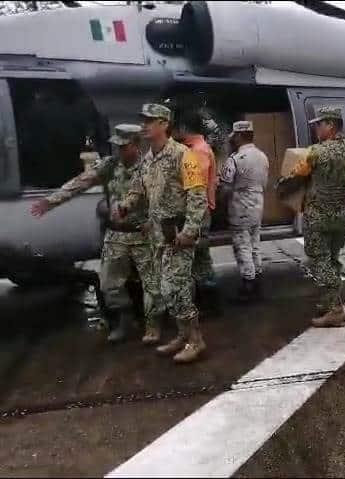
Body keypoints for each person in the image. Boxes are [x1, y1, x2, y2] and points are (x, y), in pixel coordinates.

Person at [31, 124, 164, 344]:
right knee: (109, 284)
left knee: (151, 284)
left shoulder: (152, 168)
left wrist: (156, 223)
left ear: (137, 144)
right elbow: (79, 183)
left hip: (143, 234)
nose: (119, 151)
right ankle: (124, 319)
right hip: (116, 235)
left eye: (124, 146)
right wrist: (50, 201)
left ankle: (153, 325)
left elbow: (165, 199)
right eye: (117, 147)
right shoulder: (110, 166)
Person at [117, 103, 210, 364]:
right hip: (158, 236)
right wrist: (125, 205)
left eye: (150, 121)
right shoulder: (148, 159)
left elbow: (197, 195)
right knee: (167, 290)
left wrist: (191, 231)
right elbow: (138, 189)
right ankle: (182, 335)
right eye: (143, 120)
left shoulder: (184, 155)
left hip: (178, 235)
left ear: (164, 124)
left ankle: (196, 340)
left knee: (176, 289)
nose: (145, 125)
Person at [276, 106, 345, 327]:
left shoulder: (316, 152)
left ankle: (335, 310)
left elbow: (296, 177)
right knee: (332, 259)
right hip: (341, 215)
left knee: (318, 261)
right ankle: (329, 300)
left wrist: (281, 187)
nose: (316, 129)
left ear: (331, 124)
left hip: (319, 216)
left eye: (319, 125)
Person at [175, 111, 221, 316]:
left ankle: (209, 305)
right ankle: (210, 304)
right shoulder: (197, 148)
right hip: (200, 212)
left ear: (185, 128)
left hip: (198, 213)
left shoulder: (198, 151)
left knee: (198, 260)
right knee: (201, 260)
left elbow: (197, 187)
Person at [219, 120, 269, 302]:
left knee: (242, 245)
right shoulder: (263, 156)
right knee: (255, 243)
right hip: (258, 203)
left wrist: (221, 205)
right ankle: (258, 280)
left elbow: (225, 187)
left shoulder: (235, 159)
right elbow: (264, 183)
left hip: (240, 205)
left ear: (239, 136)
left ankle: (248, 284)